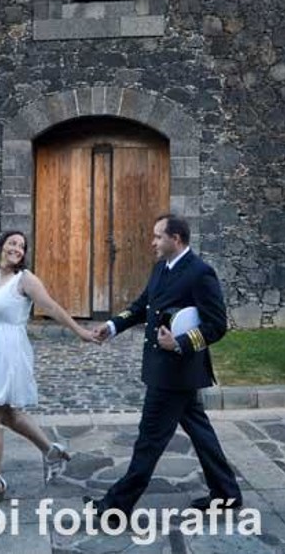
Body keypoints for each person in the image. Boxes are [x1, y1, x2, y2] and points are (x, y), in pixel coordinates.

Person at [88, 213, 242, 520]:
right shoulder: (161, 268)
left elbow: (217, 325)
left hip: (174, 373)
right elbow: (142, 306)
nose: (153, 242)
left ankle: (116, 506)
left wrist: (181, 343)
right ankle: (227, 494)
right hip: (170, 372)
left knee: (149, 440)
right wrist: (112, 325)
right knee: (200, 432)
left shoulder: (200, 273)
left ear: (177, 239)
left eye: (158, 237)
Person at [0, 230, 100, 505]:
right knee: (8, 414)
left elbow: (51, 307)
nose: (16, 248)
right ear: (1, 245)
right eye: (12, 243)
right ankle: (50, 450)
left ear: (24, 254)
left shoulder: (24, 280)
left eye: (22, 246)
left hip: (11, 353)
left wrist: (80, 331)